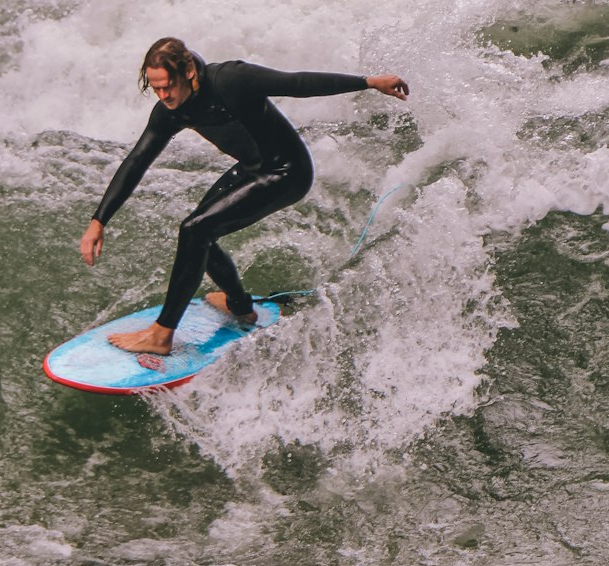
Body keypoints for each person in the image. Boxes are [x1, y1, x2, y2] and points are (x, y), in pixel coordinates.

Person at [80, 38, 410, 359]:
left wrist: (369, 82)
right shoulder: (171, 110)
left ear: (190, 72)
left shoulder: (232, 79)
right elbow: (137, 160)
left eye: (168, 86)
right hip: (252, 168)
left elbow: (297, 83)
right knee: (198, 233)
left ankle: (161, 335)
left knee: (195, 230)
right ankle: (241, 307)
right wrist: (99, 220)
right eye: (155, 88)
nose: (163, 95)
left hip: (287, 172)